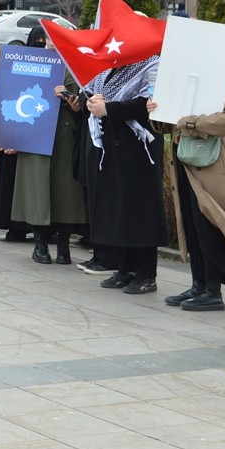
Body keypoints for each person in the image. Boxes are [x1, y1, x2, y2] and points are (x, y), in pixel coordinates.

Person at [82, 55, 167, 294]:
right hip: (114, 147)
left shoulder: (153, 65)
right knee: (121, 209)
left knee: (141, 210)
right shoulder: (113, 66)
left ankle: (146, 274)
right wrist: (92, 101)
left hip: (140, 150)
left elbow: (149, 104)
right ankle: (125, 268)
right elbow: (90, 90)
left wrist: (108, 108)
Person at [164, 82, 225, 311]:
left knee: (209, 224)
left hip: (209, 166)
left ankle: (213, 292)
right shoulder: (180, 77)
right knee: (192, 225)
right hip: (184, 163)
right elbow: (169, 122)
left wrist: (191, 123)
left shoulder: (218, 75)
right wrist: (156, 111)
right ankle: (198, 285)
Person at [6, 26, 87, 263]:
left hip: (64, 136)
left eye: (54, 41)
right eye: (47, 41)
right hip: (34, 134)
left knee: (65, 192)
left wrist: (72, 101)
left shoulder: (74, 69)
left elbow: (83, 105)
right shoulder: (27, 65)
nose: (49, 45)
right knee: (36, 190)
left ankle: (64, 246)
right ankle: (39, 244)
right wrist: (11, 136)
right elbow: (13, 99)